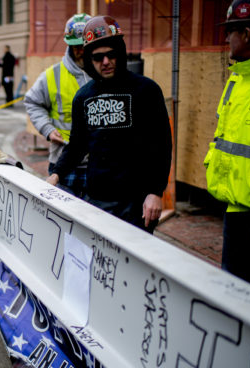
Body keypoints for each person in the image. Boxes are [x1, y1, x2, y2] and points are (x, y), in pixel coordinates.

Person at [47, 15, 172, 234]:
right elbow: (77, 145)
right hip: (97, 199)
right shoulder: (83, 97)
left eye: (111, 54)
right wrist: (55, 176)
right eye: (97, 57)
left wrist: (155, 192)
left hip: (137, 202)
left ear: (121, 53)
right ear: (88, 59)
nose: (105, 62)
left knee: (134, 264)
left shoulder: (146, 90)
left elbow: (161, 145)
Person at [204, 0, 250, 284]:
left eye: (230, 31)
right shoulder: (236, 80)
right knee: (234, 292)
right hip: (235, 208)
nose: (225, 39)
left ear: (246, 34)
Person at [24, 13, 92, 198]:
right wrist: (47, 129)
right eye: (75, 45)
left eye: (83, 45)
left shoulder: (105, 73)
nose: (79, 50)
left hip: (98, 164)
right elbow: (32, 102)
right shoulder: (52, 75)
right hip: (62, 162)